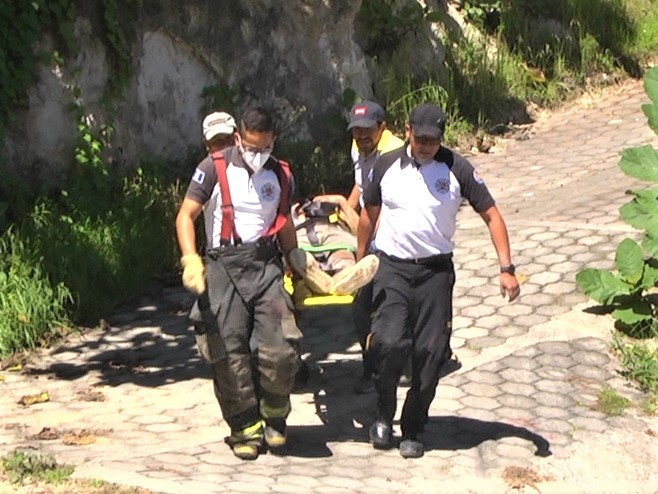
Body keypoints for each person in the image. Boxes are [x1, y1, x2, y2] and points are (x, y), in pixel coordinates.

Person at [357, 103, 521, 459]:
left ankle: (413, 425)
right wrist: (359, 265)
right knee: (387, 343)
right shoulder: (385, 166)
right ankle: (383, 413)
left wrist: (506, 268)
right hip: (393, 269)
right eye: (421, 138)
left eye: (434, 139)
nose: (427, 145)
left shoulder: (457, 168)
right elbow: (368, 218)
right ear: (407, 130)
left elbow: (492, 215)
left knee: (431, 353)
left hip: (435, 274)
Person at [175, 107, 303, 461]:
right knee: (228, 352)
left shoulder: (280, 173)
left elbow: (285, 222)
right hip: (222, 268)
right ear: (238, 139)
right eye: (250, 147)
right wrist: (190, 258)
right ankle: (244, 427)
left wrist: (295, 258)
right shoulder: (213, 168)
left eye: (263, 148)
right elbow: (186, 216)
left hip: (265, 266)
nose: (256, 155)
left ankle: (275, 418)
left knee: (280, 348)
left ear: (273, 141)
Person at [345, 100, 405, 394]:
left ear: (382, 127)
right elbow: (361, 185)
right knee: (361, 307)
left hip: (393, 239)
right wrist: (345, 205)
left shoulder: (396, 155)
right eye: (356, 131)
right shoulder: (359, 148)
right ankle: (371, 366)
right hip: (370, 234)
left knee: (388, 305)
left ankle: (395, 367)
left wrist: (364, 251)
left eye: (367, 130)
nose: (361, 136)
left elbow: (381, 208)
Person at [289, 194, 379, 300]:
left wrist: (342, 203)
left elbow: (361, 230)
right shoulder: (291, 210)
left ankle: (338, 279)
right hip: (303, 238)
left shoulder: (339, 212)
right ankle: (332, 278)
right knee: (300, 257)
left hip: (334, 237)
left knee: (343, 256)